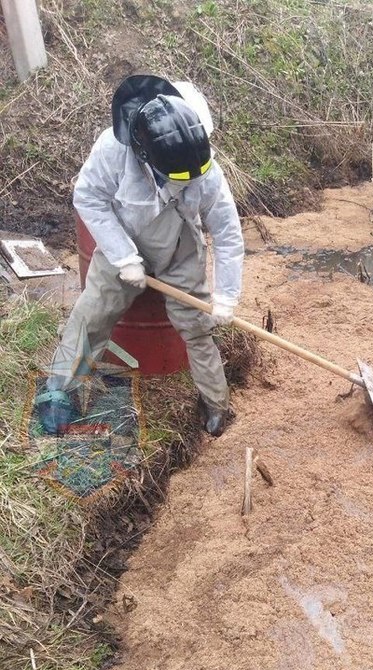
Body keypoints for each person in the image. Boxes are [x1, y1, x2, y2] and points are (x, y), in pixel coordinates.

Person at [35, 74, 244, 437]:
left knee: (197, 327)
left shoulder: (204, 168)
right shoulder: (113, 152)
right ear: (146, 156)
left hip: (180, 243)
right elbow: (88, 198)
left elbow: (226, 231)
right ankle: (58, 392)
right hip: (124, 236)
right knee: (92, 314)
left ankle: (216, 403)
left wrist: (227, 294)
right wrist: (123, 256)